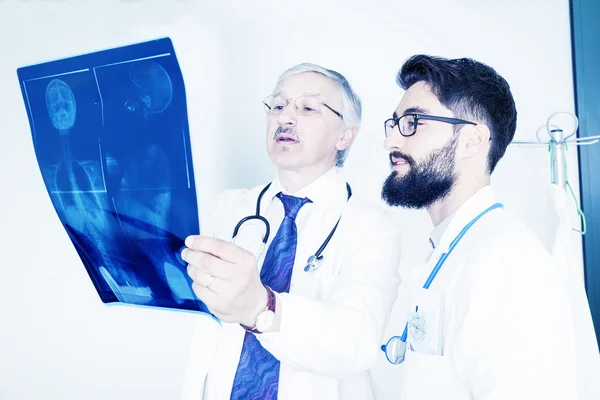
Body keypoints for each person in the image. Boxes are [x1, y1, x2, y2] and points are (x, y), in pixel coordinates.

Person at [180, 63, 402, 400]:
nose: (286, 118)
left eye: (308, 108)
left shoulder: (371, 227)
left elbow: (357, 341)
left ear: (345, 135)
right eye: (279, 105)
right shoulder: (225, 209)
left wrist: (261, 307)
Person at [380, 54, 583, 399]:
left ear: (472, 141)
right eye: (395, 123)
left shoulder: (509, 262)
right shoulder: (457, 247)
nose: (391, 142)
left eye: (413, 122)